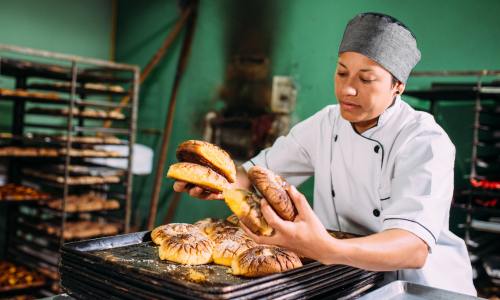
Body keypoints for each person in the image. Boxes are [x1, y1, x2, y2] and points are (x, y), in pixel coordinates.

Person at [174, 12, 476, 296]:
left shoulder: (423, 140)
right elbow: (252, 177)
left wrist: (327, 249)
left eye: (366, 79)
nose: (348, 89)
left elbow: (412, 249)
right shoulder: (326, 123)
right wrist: (216, 183)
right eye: (342, 72)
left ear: (398, 86)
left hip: (415, 288)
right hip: (344, 276)